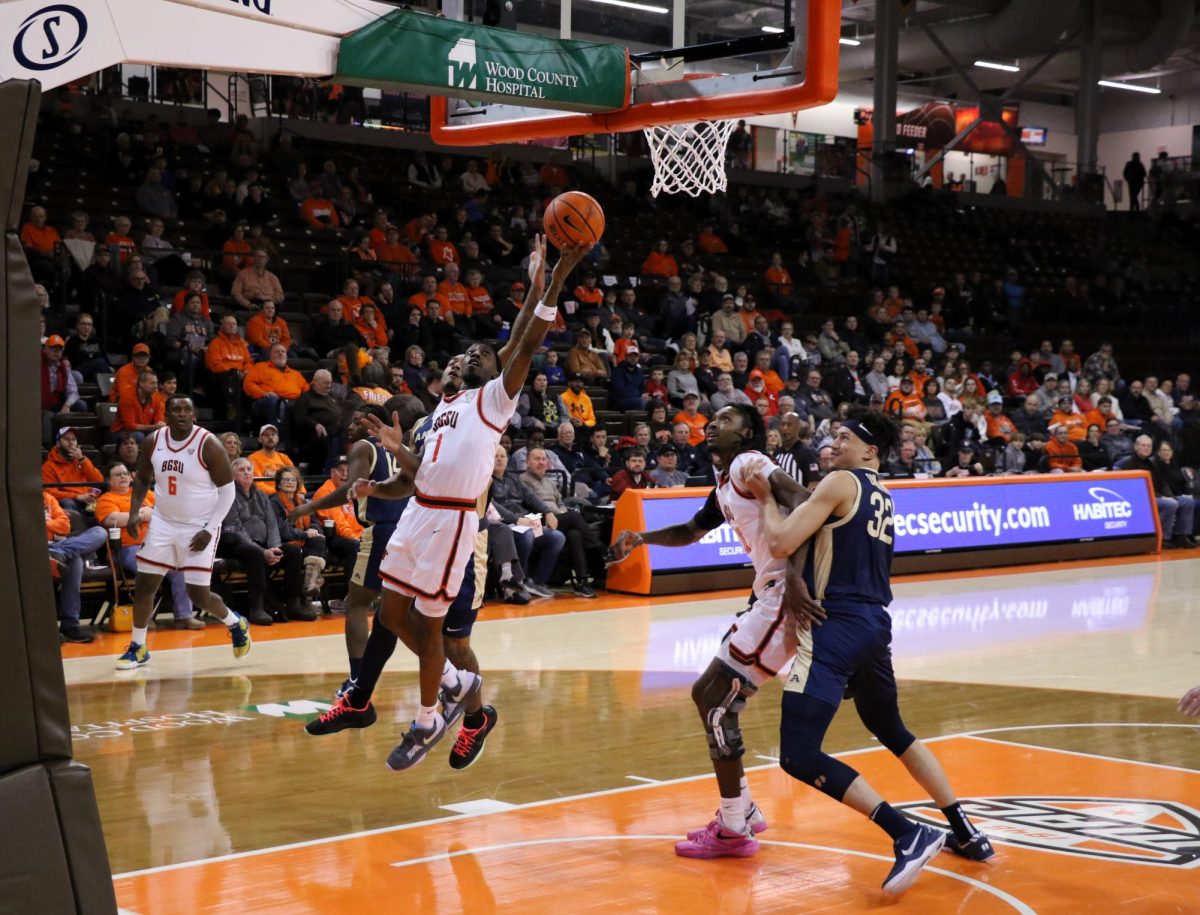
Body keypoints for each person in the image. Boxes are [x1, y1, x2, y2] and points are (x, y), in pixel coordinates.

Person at [305, 238, 589, 772]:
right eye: (464, 355)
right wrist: (398, 454)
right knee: (388, 610)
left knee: (434, 628)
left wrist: (548, 278)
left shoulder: (494, 399)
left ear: (496, 367)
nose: (469, 357)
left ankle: (429, 716)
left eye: (480, 354)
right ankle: (459, 687)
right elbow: (424, 474)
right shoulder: (444, 407)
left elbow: (526, 336)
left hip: (454, 521)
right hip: (420, 511)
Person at [741, 409, 992, 894]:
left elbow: (779, 540)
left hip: (834, 625)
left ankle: (907, 832)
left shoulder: (840, 482)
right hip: (876, 625)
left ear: (870, 451)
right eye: (833, 436)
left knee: (797, 754)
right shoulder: (885, 495)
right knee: (891, 729)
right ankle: (964, 829)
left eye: (844, 438)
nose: (833, 444)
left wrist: (766, 495)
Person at [609, 404, 821, 859]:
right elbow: (690, 530)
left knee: (715, 700)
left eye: (725, 421)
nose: (712, 425)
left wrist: (799, 579)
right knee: (709, 694)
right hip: (767, 594)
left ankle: (733, 828)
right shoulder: (727, 481)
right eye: (712, 420)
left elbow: (806, 503)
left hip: (783, 594)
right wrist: (641, 539)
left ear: (747, 433)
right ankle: (742, 808)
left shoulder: (750, 463)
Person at [116, 395, 250, 669]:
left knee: (198, 594)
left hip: (198, 524)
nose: (181, 414)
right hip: (163, 522)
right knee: (144, 587)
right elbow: (142, 478)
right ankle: (138, 647)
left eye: (186, 409)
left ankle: (235, 623)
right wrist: (133, 511)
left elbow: (227, 492)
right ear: (166, 414)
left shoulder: (208, 444)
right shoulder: (154, 440)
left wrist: (209, 529)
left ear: (194, 415)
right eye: (175, 409)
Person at [95, 462, 200, 629]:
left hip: (157, 545)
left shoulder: (144, 494)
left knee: (181, 568)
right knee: (149, 568)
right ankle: (143, 619)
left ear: (131, 477)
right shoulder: (107, 499)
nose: (123, 476)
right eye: (117, 474)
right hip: (127, 548)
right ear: (108, 480)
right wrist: (143, 514)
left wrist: (140, 515)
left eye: (125, 473)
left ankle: (184, 617)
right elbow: (112, 519)